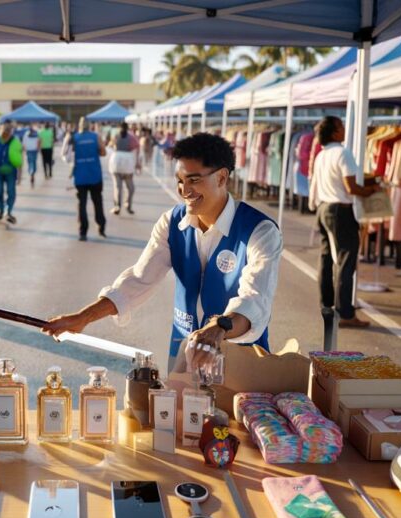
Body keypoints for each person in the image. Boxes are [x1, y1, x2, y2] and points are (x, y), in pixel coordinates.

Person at [44, 133, 283, 374]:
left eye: (194, 180)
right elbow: (138, 280)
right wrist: (82, 318)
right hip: (184, 358)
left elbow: (255, 298)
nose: (184, 190)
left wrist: (219, 327)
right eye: (180, 180)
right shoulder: (172, 223)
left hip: (242, 365)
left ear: (221, 177)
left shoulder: (260, 231)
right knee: (177, 411)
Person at [309, 116, 380, 328]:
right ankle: (346, 313)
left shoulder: (322, 155)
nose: (344, 130)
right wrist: (372, 190)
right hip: (340, 210)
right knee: (346, 261)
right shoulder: (343, 153)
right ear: (334, 132)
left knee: (327, 259)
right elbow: (351, 188)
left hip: (324, 208)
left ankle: (327, 304)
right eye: (340, 127)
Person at [62, 116, 107, 241]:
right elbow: (103, 152)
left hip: (80, 176)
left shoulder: (74, 138)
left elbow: (66, 155)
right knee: (97, 202)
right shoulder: (96, 137)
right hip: (95, 175)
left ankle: (83, 232)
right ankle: (101, 225)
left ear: (79, 125)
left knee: (82, 204)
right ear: (90, 126)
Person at [0, 120, 23, 224]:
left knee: (11, 192)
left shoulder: (15, 141)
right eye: (5, 129)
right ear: (0, 129)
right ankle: (0, 210)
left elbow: (19, 158)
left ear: (11, 130)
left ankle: (8, 212)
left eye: (9, 129)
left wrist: (20, 175)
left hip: (11, 171)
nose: (6, 131)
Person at [108, 122, 139, 215]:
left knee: (118, 187)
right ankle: (127, 204)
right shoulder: (131, 138)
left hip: (116, 163)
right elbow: (137, 148)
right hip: (127, 164)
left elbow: (110, 146)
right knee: (130, 188)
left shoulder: (116, 136)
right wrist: (137, 162)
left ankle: (117, 206)